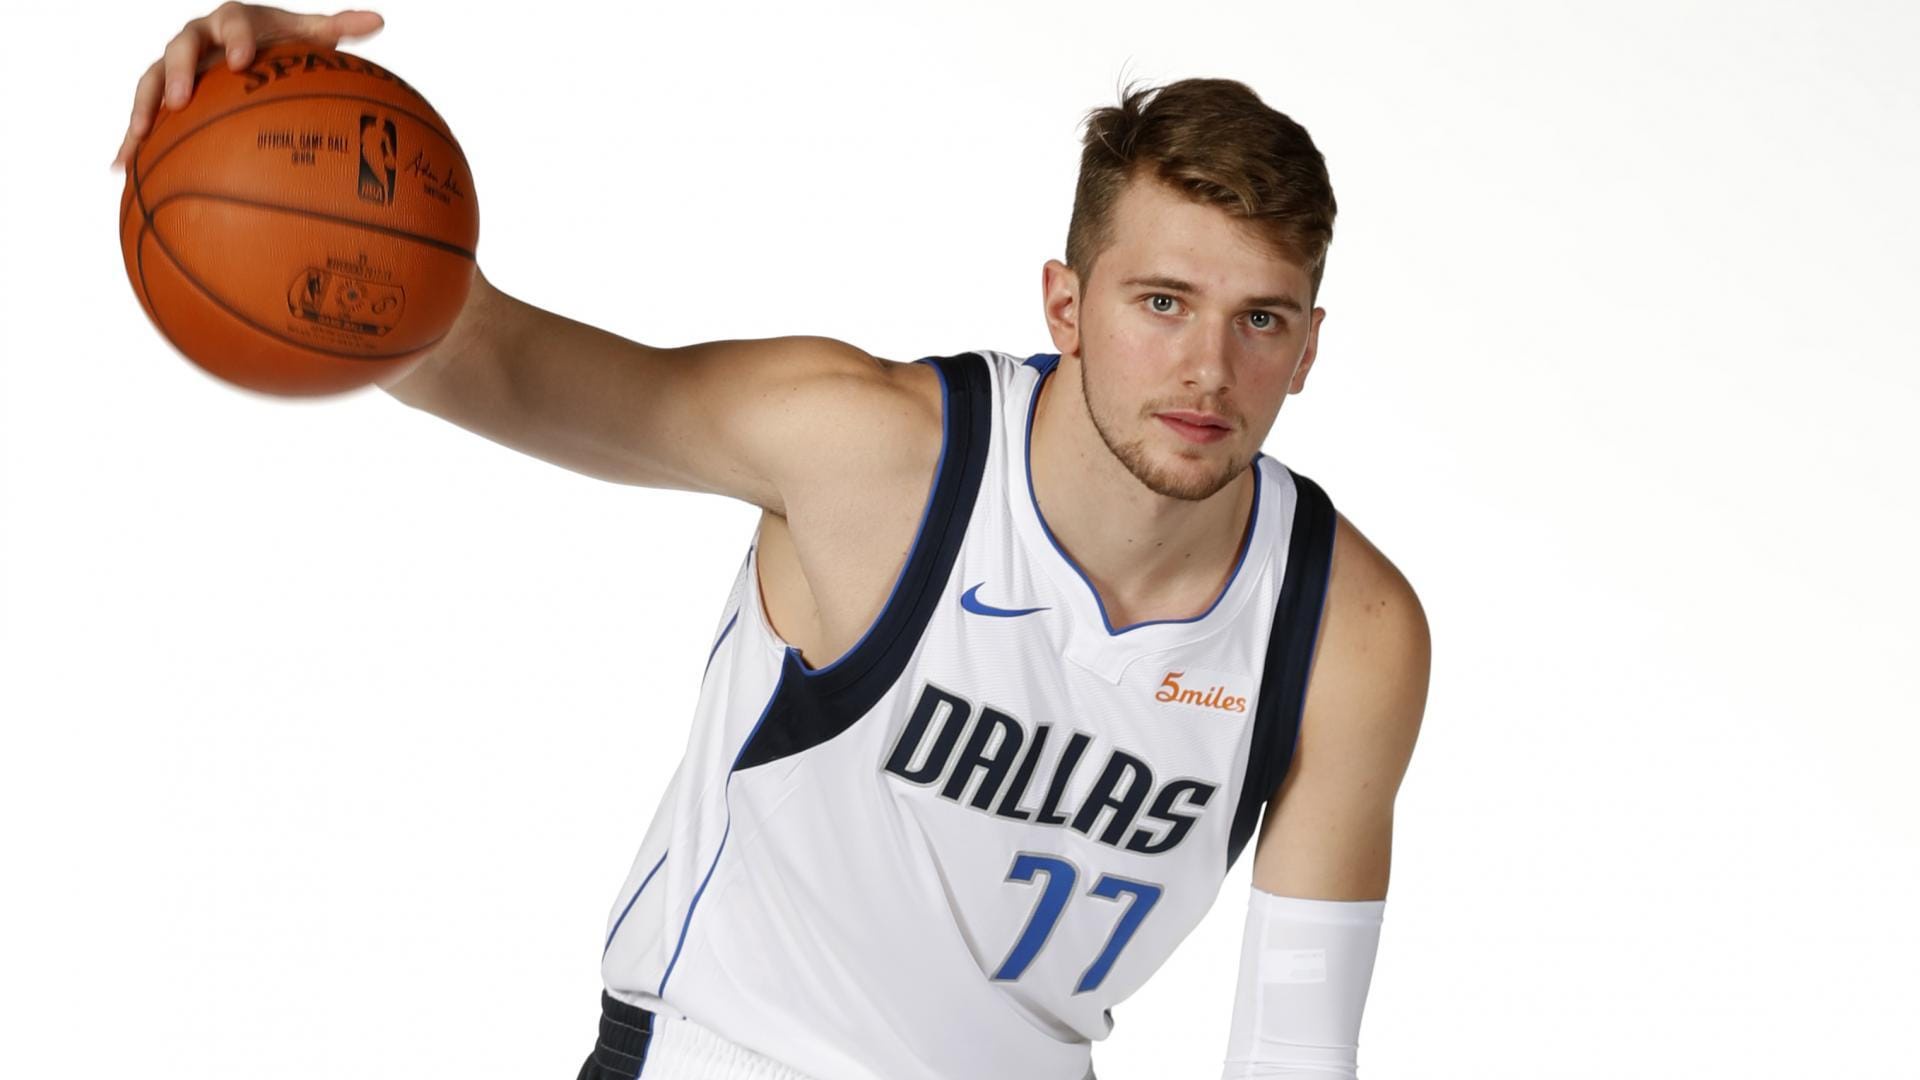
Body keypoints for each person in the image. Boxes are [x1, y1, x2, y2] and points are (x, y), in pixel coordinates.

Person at [115, 6, 1432, 1078]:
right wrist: (269, 121)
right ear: (1066, 306)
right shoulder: (873, 453)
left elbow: (1296, 1048)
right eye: (1163, 301)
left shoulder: (1346, 632)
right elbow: (494, 363)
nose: (1208, 367)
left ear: (1309, 345)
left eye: (1262, 320)